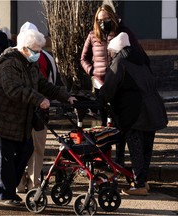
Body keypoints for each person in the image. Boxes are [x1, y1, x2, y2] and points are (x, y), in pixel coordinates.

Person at [0, 29, 76, 206]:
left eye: (40, 49)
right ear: (25, 48)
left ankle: (9, 189)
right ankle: (4, 193)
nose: (39, 53)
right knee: (6, 155)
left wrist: (65, 96)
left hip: (20, 117)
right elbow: (13, 89)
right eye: (36, 50)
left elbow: (43, 84)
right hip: (3, 116)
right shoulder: (9, 64)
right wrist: (38, 99)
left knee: (25, 150)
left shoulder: (30, 63)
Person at [99, 32, 168, 196]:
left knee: (136, 149)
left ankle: (139, 185)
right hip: (153, 110)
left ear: (115, 49)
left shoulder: (119, 61)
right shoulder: (142, 60)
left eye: (110, 52)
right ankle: (143, 180)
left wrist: (99, 98)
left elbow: (109, 87)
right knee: (146, 149)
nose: (109, 55)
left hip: (134, 112)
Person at [80, 4, 148, 167]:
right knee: (103, 126)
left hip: (119, 86)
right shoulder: (92, 36)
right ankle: (104, 159)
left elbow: (134, 54)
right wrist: (92, 71)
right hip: (100, 86)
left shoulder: (121, 34)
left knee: (120, 125)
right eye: (100, 20)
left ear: (112, 17)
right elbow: (84, 59)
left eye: (106, 19)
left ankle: (119, 159)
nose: (103, 22)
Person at [17, 21, 61, 193]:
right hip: (40, 110)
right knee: (37, 148)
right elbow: (53, 82)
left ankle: (19, 182)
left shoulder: (16, 56)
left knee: (20, 148)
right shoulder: (48, 58)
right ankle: (34, 183)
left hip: (22, 110)